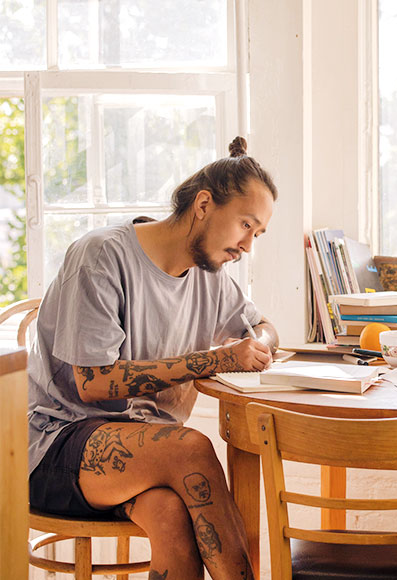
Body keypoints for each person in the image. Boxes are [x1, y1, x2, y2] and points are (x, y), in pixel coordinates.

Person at [27, 136, 279, 580]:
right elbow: (94, 383)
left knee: (169, 514)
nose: (247, 246)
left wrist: (258, 341)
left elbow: (264, 327)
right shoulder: (101, 255)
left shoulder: (211, 277)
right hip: (54, 442)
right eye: (245, 225)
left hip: (142, 447)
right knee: (193, 448)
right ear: (204, 205)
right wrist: (216, 359)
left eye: (256, 234)